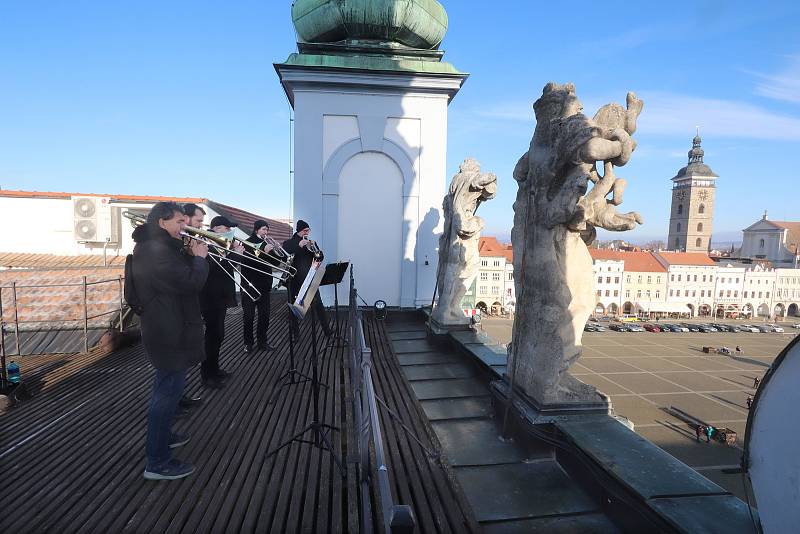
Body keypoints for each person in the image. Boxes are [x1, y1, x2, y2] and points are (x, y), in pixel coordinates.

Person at [132, 201, 209, 480]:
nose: (184, 225)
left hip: (169, 327)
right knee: (165, 396)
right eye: (179, 221)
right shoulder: (156, 251)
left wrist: (188, 254)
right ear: (162, 222)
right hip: (168, 332)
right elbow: (190, 283)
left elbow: (177, 280)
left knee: (169, 390)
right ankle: (158, 461)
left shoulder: (158, 247)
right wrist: (199, 259)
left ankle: (163, 437)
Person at [199, 215, 244, 389]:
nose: (230, 232)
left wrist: (234, 254)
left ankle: (215, 369)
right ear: (217, 228)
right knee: (211, 337)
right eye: (227, 228)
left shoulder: (221, 244)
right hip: (210, 297)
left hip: (221, 296)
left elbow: (229, 268)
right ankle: (207, 375)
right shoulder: (206, 242)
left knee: (218, 336)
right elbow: (209, 268)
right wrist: (234, 255)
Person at [283, 220, 332, 337]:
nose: (307, 233)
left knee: (318, 304)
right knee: (294, 307)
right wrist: (299, 246)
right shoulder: (289, 243)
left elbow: (320, 258)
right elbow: (286, 255)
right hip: (294, 280)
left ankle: (327, 330)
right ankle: (295, 333)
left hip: (309, 278)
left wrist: (315, 249)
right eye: (305, 230)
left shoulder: (310, 243)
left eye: (308, 230)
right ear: (299, 231)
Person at [240, 220, 277, 353]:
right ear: (256, 230)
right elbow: (247, 261)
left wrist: (273, 252)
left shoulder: (267, 244)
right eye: (263, 229)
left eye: (267, 230)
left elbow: (276, 264)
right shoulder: (247, 242)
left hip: (265, 284)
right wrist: (263, 251)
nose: (266, 232)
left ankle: (262, 342)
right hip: (249, 285)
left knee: (264, 316)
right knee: (249, 316)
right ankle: (248, 343)